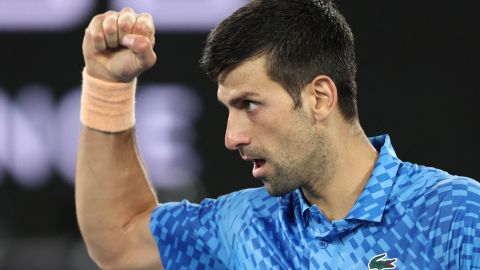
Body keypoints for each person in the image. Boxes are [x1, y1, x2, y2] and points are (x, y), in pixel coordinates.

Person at [75, 1, 480, 269]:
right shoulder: (243, 225)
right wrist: (106, 84)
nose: (231, 137)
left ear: (320, 97)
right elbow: (120, 238)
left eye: (249, 104)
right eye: (229, 109)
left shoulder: (453, 214)